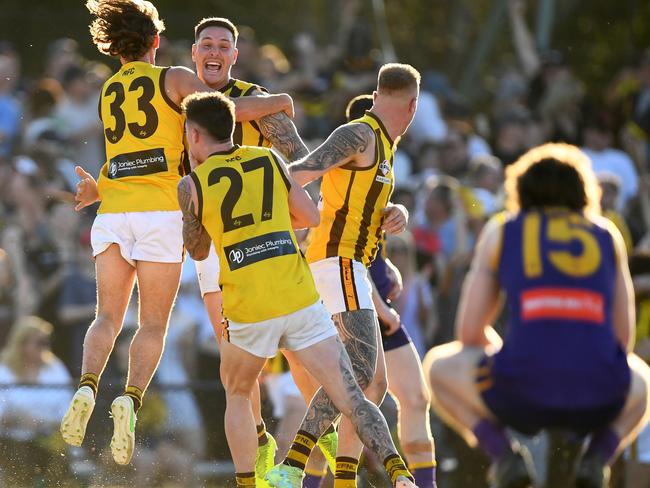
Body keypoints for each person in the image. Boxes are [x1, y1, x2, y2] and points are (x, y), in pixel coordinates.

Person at [60, 0, 293, 466]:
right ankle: (129, 398)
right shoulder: (174, 79)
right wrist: (279, 101)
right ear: (156, 42)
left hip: (113, 213)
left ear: (115, 46)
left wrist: (95, 190)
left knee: (106, 317)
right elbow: (223, 113)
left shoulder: (108, 90)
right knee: (151, 324)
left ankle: (86, 385)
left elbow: (127, 154)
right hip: (162, 213)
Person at [178, 90, 416, 488]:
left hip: (247, 303)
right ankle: (399, 473)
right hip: (297, 295)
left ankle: (247, 484)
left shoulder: (192, 185)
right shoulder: (270, 159)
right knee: (352, 395)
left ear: (194, 134)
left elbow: (198, 248)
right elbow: (309, 216)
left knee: (237, 393)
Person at [424, 143, 650, 488]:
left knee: (438, 367)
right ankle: (597, 458)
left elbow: (469, 331)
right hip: (598, 392)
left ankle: (504, 456)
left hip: (520, 389)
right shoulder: (607, 234)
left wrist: (507, 355)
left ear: (520, 188)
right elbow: (624, 340)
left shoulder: (503, 229)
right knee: (642, 380)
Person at [189, 16, 334, 482]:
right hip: (218, 243)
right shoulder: (184, 99)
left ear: (235, 55)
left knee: (298, 352)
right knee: (236, 366)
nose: (214, 51)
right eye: (206, 43)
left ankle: (321, 433)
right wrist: (278, 99)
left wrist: (303, 205)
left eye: (223, 45)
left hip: (269, 240)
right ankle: (259, 448)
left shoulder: (255, 101)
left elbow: (299, 156)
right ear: (194, 53)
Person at [266, 63, 420, 487]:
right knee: (358, 374)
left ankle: (342, 477)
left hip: (347, 263)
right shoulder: (361, 134)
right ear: (412, 106)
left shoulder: (385, 145)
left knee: (373, 385)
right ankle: (293, 466)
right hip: (336, 261)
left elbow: (351, 195)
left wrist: (396, 211)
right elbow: (298, 173)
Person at [345, 94, 437, 487]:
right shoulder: (342, 185)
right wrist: (381, 307)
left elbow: (370, 251)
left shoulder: (381, 179)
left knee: (416, 399)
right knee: (349, 410)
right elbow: (341, 259)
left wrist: (391, 261)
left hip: (382, 311)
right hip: (356, 311)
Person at [0, 316, 73, 486]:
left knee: (60, 463)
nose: (45, 347)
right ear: (22, 344)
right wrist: (19, 419)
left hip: (49, 439)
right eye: (39, 343)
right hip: (11, 440)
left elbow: (67, 410)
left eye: (46, 342)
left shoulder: (55, 368)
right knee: (20, 461)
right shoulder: (4, 369)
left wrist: (44, 424)